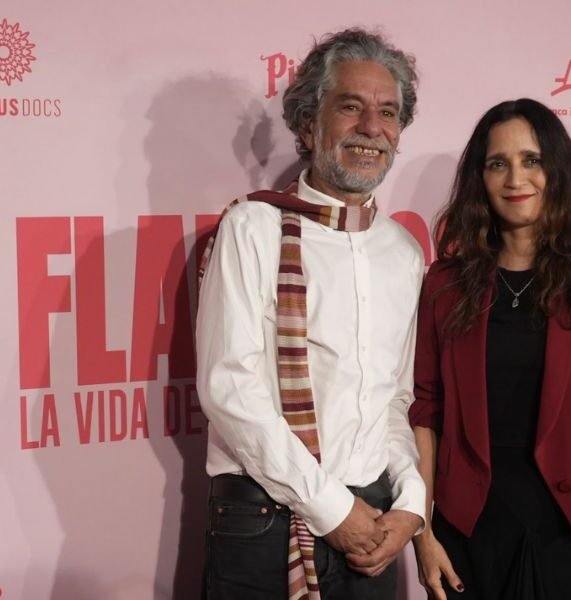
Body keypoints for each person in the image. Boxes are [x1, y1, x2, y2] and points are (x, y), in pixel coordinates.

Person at [409, 98, 571, 600]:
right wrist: (422, 532)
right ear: (479, 179)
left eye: (531, 160)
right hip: (469, 531)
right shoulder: (445, 285)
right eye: (498, 163)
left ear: (556, 169)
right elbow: (427, 410)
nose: (516, 178)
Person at [196, 28, 425, 600]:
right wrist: (331, 508)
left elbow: (392, 400)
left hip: (375, 531)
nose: (373, 129)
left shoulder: (403, 251)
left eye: (389, 113)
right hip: (265, 524)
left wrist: (410, 503)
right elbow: (230, 389)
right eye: (350, 107)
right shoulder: (253, 228)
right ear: (306, 124)